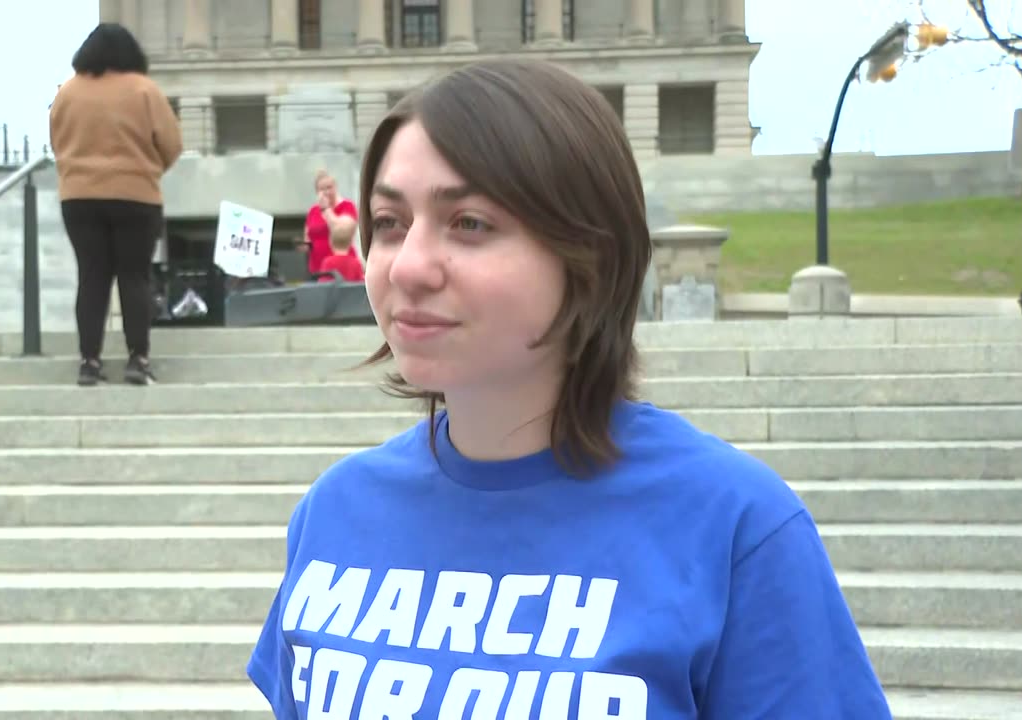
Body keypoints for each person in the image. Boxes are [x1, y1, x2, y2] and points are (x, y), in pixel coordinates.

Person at [246, 59, 893, 718]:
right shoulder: (334, 513)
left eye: (468, 222)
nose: (408, 265)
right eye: (389, 222)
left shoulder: (737, 527)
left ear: (590, 253)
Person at [51, 22, 183, 387]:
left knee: (91, 277)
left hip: (79, 198)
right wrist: (148, 168)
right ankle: (137, 359)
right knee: (134, 276)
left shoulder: (67, 91)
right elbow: (171, 143)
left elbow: (57, 143)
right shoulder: (144, 90)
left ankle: (89, 361)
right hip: (135, 196)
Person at [303, 169, 358, 276]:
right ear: (317, 192)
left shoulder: (347, 206)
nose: (326, 192)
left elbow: (342, 230)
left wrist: (326, 209)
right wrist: (305, 245)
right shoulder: (313, 211)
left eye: (329, 187)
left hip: (342, 268)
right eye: (322, 189)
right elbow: (308, 236)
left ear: (335, 187)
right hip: (317, 268)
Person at [316, 214, 363, 282]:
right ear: (350, 242)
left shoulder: (328, 262)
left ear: (331, 242)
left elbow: (323, 284)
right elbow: (360, 285)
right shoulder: (355, 263)